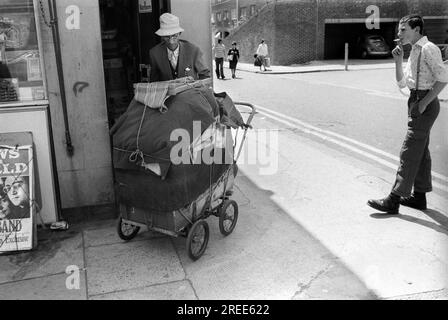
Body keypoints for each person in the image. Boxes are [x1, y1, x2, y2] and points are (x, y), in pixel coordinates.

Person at [367, 15, 448, 214]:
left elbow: (443, 79)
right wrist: (397, 61)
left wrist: (423, 104)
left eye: (403, 30)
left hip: (424, 103)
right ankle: (419, 197)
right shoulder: (414, 50)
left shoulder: (428, 48)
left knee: (409, 150)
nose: (399, 34)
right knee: (420, 151)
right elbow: (403, 84)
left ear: (417, 29)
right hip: (415, 100)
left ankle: (394, 199)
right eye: (399, 30)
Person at [149, 13, 210, 82]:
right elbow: (154, 81)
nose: (171, 40)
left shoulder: (193, 50)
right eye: (166, 36)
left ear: (179, 33)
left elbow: (205, 75)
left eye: (174, 36)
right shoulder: (155, 53)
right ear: (162, 36)